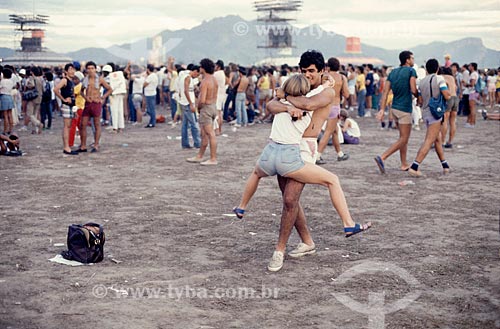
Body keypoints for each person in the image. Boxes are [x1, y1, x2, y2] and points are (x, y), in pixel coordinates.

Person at [243, 51, 371, 272]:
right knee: (289, 200)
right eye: (304, 71)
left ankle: (279, 250)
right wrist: (282, 99)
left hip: (305, 147)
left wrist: (283, 94)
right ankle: (307, 242)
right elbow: (270, 106)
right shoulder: (300, 84)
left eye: (311, 71)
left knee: (291, 198)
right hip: (285, 145)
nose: (307, 75)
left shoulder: (328, 91)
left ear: (322, 71)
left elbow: (309, 105)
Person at [375, 51, 418, 173]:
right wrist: (418, 95)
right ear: (407, 60)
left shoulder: (393, 72)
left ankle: (404, 164)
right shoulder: (411, 71)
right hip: (404, 108)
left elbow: (385, 92)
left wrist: (382, 109)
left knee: (402, 137)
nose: (413, 60)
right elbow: (413, 88)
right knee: (404, 139)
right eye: (412, 58)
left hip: (394, 108)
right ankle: (382, 157)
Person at [408, 58, 451, 177]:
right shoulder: (439, 79)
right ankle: (414, 166)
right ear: (437, 68)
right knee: (429, 141)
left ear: (426, 69)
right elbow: (446, 95)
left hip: (426, 112)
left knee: (437, 139)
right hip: (435, 113)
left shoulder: (422, 81)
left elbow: (420, 100)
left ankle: (445, 165)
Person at [316, 57, 350, 165]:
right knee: (328, 132)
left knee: (334, 131)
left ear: (328, 66)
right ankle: (317, 155)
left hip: (322, 106)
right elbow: (347, 94)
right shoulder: (341, 77)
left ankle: (340, 154)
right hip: (334, 107)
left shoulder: (324, 77)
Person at [186, 59, 218, 165]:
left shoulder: (205, 81)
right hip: (213, 106)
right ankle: (199, 156)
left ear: (203, 68)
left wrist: (198, 107)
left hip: (206, 108)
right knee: (204, 133)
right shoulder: (214, 80)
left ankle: (213, 158)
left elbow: (202, 100)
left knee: (210, 133)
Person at [80, 61, 113, 152]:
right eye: (89, 68)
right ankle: (83, 145)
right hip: (88, 103)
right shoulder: (85, 80)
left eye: (92, 68)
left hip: (96, 102)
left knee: (97, 124)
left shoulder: (100, 79)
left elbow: (110, 89)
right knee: (83, 124)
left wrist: (102, 97)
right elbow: (81, 91)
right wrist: (86, 97)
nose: (90, 70)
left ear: (95, 69)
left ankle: (96, 144)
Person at [54, 63, 78, 155]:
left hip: (71, 106)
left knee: (69, 126)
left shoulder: (71, 81)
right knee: (66, 126)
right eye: (70, 69)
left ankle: (67, 146)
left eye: (73, 69)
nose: (72, 71)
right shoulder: (64, 80)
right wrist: (63, 99)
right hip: (66, 105)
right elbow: (56, 89)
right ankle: (66, 147)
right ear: (66, 71)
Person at [179, 64, 201, 149]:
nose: (197, 76)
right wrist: (191, 104)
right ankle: (198, 143)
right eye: (197, 74)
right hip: (187, 104)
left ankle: (185, 144)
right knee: (194, 124)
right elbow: (186, 91)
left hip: (185, 102)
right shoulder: (187, 77)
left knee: (185, 125)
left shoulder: (184, 76)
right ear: (195, 71)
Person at [440, 67, 458, 148]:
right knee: (452, 121)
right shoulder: (452, 78)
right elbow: (455, 88)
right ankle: (450, 141)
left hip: (448, 98)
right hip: (455, 98)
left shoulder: (443, 77)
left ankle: (442, 141)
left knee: (445, 121)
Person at [0, 68, 15, 134]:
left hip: (4, 97)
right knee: (10, 114)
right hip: (9, 96)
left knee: (5, 115)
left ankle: (5, 130)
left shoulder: (2, 81)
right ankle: (10, 129)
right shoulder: (11, 81)